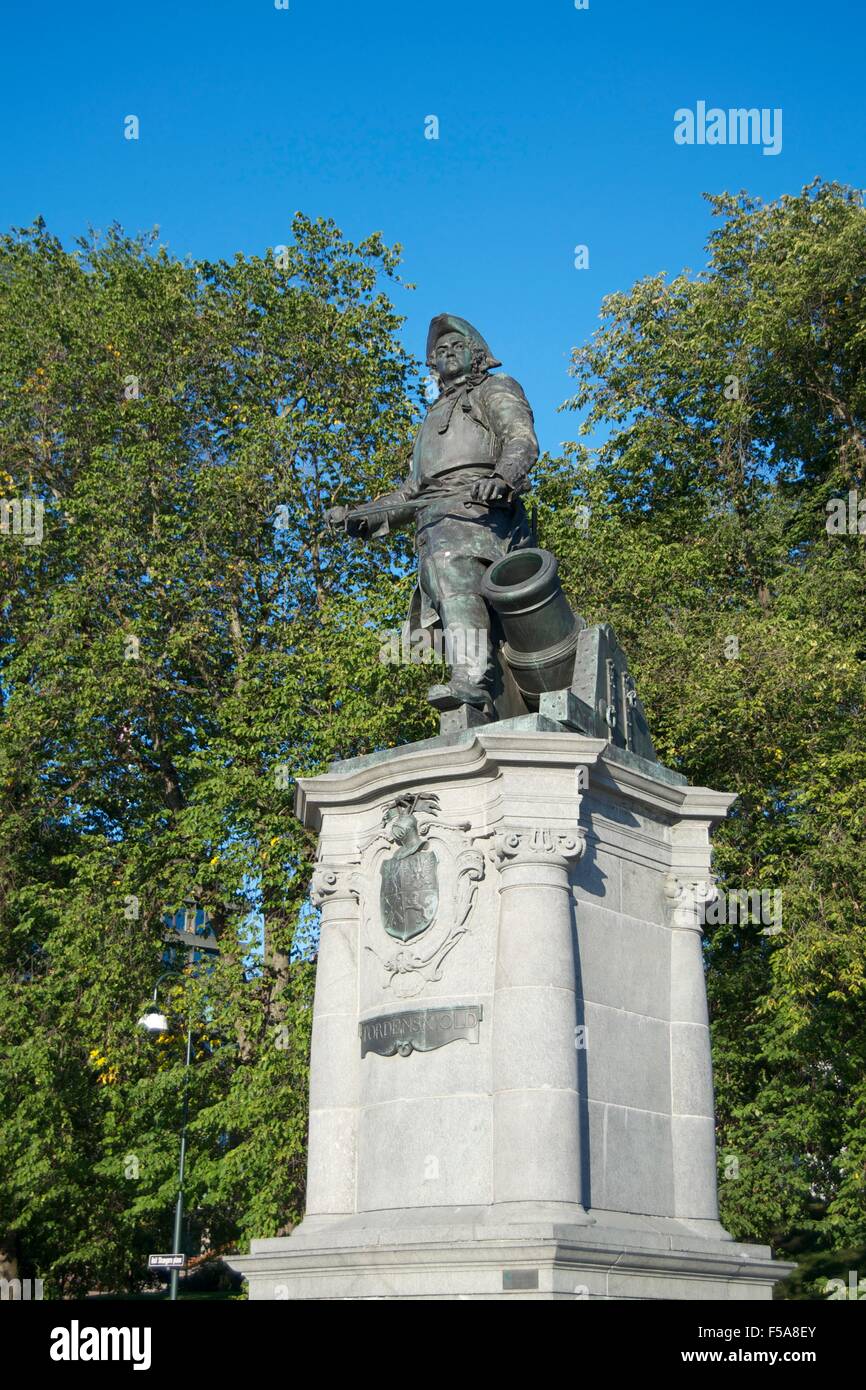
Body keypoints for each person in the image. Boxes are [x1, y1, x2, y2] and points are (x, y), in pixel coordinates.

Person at [327, 313, 539, 719]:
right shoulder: (429, 419)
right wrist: (362, 516)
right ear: (432, 366)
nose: (448, 354)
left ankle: (472, 678)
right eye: (440, 352)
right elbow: (411, 493)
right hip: (436, 522)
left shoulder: (496, 390)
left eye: (457, 346)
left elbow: (520, 439)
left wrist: (502, 478)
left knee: (450, 561)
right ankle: (471, 672)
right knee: (441, 565)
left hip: (485, 515)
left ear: (478, 355)